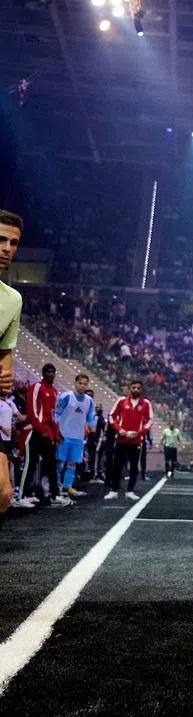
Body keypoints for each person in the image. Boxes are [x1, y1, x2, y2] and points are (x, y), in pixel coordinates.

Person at [0, 210, 23, 510]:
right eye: (0, 240)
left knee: (3, 492)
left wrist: (5, 379)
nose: (7, 248)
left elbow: (5, 350)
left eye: (13, 243)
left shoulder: (12, 299)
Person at [26, 364, 66, 507]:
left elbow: (53, 415)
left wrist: (56, 434)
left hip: (48, 431)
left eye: (52, 372)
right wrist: (39, 428)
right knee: (31, 464)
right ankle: (23, 495)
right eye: (48, 372)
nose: (50, 374)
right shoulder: (37, 387)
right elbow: (32, 409)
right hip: (36, 431)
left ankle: (54, 495)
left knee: (51, 463)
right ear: (43, 373)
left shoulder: (54, 391)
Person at [106, 380, 153, 501]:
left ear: (141, 390)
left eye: (138, 388)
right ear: (130, 388)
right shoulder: (121, 401)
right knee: (117, 465)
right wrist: (119, 429)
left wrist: (139, 433)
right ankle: (114, 490)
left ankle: (130, 491)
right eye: (134, 387)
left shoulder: (146, 403)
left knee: (134, 467)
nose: (136, 390)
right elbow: (111, 416)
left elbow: (150, 420)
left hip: (136, 441)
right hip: (121, 439)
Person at [54, 373, 95, 499]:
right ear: (75, 383)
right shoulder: (66, 396)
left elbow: (90, 417)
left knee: (72, 464)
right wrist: (57, 431)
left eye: (85, 384)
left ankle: (68, 487)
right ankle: (56, 488)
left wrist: (91, 429)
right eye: (80, 383)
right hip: (64, 435)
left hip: (78, 437)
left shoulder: (89, 401)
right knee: (60, 462)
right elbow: (56, 414)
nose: (82, 386)